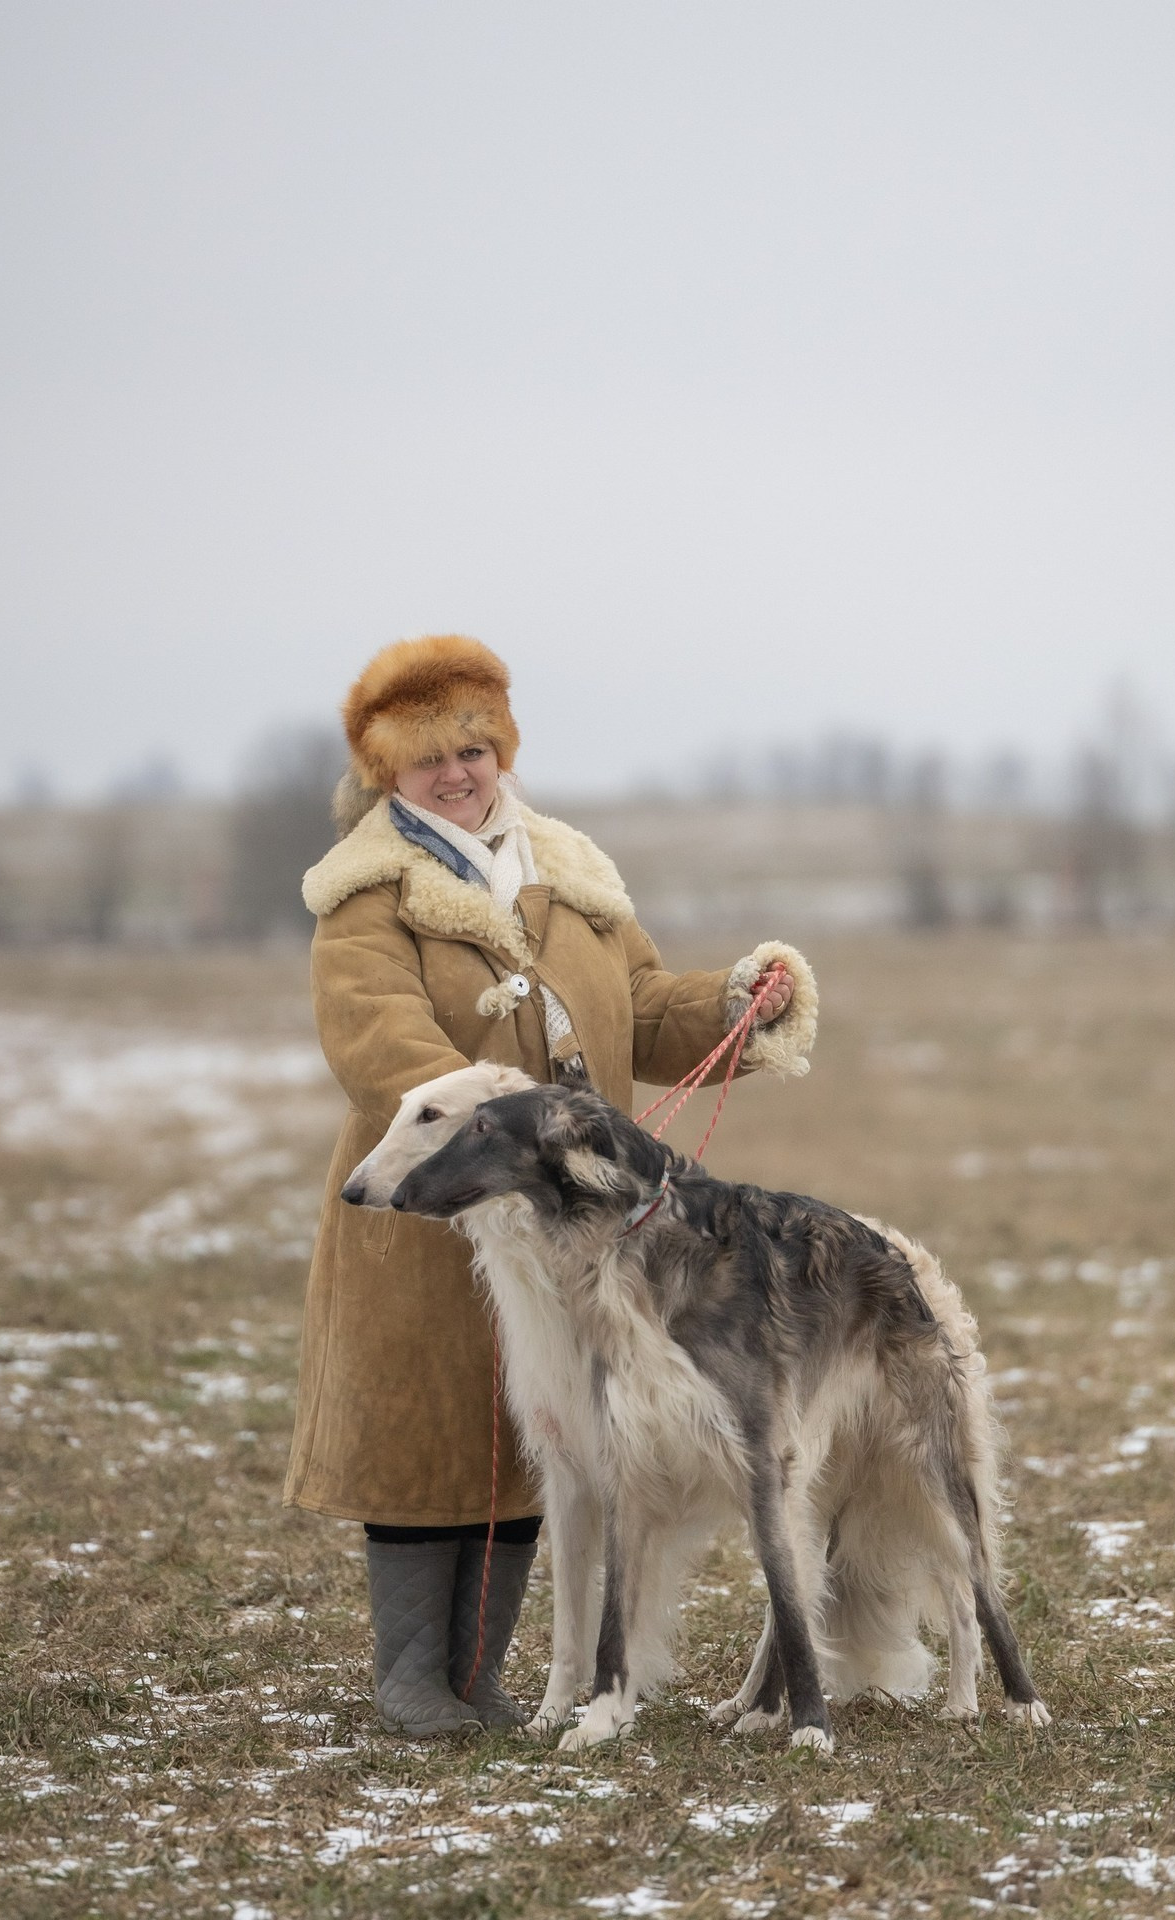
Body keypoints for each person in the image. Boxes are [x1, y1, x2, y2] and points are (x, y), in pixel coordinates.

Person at [284, 633, 819, 1737]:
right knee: (428, 1436)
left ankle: (482, 1676)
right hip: (426, 1213)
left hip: (574, 1234)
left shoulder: (568, 875)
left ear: (499, 749)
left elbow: (639, 1007)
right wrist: (506, 1126)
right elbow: (376, 1045)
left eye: (473, 748)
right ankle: (413, 1678)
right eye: (429, 757)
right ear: (390, 771)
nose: (456, 773)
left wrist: (728, 1004)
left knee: (553, 1438)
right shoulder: (365, 902)